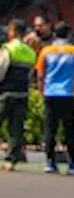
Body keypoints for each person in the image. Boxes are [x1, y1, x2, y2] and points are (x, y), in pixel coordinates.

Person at [35, 21, 74, 175]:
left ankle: (50, 162)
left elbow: (40, 75)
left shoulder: (46, 50)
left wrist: (41, 91)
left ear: (54, 34)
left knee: (50, 129)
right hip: (68, 94)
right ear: (69, 35)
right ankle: (73, 164)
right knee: (69, 130)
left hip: (50, 93)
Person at [0, 19, 36, 172]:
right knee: (16, 128)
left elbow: (1, 70)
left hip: (5, 93)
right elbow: (31, 74)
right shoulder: (30, 52)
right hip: (22, 94)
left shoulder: (8, 49)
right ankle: (11, 161)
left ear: (13, 31)